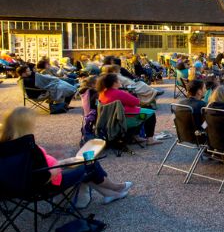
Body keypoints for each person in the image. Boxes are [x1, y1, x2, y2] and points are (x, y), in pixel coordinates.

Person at [0, 107, 133, 208]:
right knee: (90, 165)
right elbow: (41, 177)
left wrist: (62, 162)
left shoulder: (7, 145)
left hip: (12, 188)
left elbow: (28, 168)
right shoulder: (28, 147)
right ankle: (116, 188)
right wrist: (59, 167)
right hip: (45, 187)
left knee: (83, 164)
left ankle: (110, 194)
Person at [97, 73, 158, 145]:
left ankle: (136, 136)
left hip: (111, 120)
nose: (120, 82)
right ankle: (150, 139)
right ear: (114, 83)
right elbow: (136, 102)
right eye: (118, 80)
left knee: (142, 112)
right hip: (124, 118)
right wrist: (127, 93)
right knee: (150, 113)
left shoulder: (102, 93)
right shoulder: (118, 93)